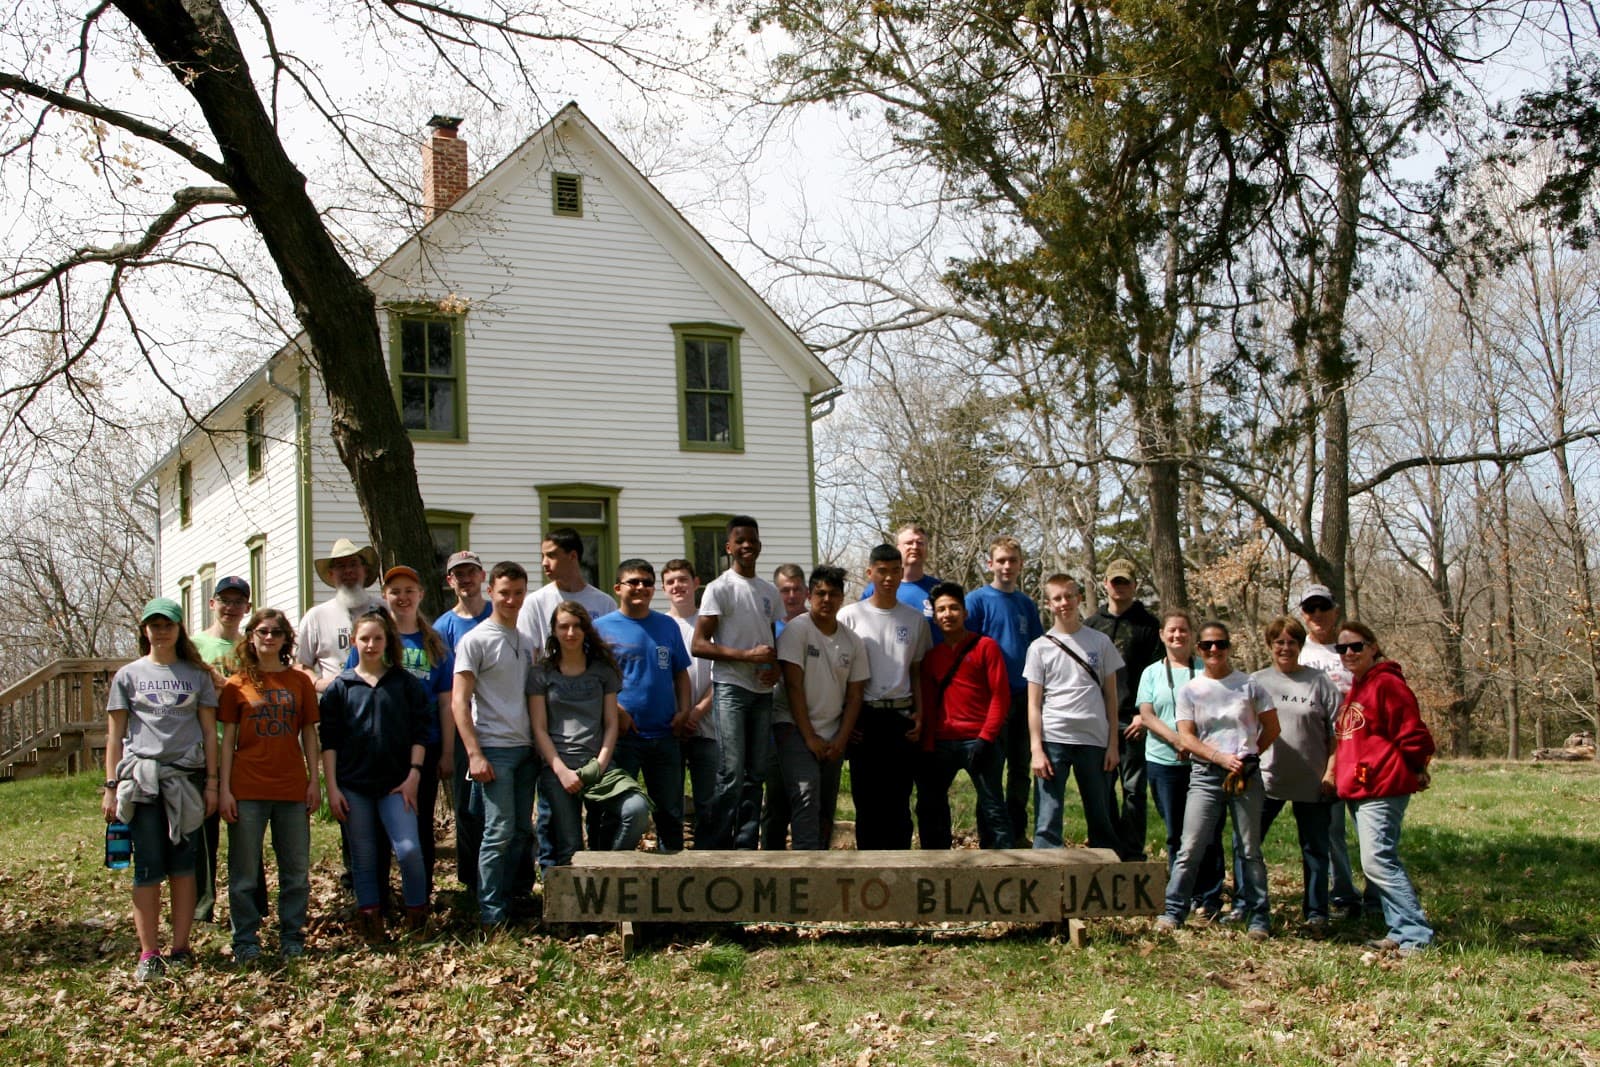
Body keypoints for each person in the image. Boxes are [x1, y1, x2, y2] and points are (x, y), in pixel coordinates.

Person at [102, 598, 219, 982]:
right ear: (144, 630)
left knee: (183, 866)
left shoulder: (197, 675)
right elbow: (115, 736)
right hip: (141, 782)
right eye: (153, 624)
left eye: (167, 624)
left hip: (186, 780)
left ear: (179, 628)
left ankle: (181, 947)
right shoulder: (128, 676)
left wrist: (213, 783)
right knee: (148, 866)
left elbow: (208, 733)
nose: (161, 630)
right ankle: (149, 952)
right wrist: (110, 787)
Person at [1155, 621, 1279, 940]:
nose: (1214, 650)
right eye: (1207, 645)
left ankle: (1258, 916)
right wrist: (1219, 758)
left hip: (1245, 777)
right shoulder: (1191, 689)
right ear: (1199, 649)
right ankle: (1173, 911)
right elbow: (1186, 737)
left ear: (1228, 648)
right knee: (1191, 846)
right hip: (1205, 775)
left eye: (1220, 644)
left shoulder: (1249, 685)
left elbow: (1272, 728)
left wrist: (1249, 756)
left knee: (1249, 848)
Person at [320, 609, 432, 940]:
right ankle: (371, 923)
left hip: (397, 784)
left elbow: (420, 733)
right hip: (354, 786)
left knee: (409, 850)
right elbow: (329, 742)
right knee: (364, 857)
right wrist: (332, 787)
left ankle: (418, 918)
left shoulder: (404, 683)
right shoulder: (340, 688)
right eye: (364, 638)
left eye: (378, 638)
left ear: (388, 642)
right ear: (354, 641)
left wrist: (414, 775)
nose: (371, 644)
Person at [217, 609, 320, 962]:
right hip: (246, 790)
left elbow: (308, 733)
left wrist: (313, 781)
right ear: (251, 636)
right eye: (262, 631)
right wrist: (224, 789)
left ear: (286, 639)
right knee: (244, 873)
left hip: (291, 788)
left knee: (295, 871)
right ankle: (245, 940)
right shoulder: (236, 684)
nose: (269, 637)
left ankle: (292, 935)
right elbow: (227, 739)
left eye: (277, 632)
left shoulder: (300, 682)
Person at [346, 566, 454, 896]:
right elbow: (353, 693)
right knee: (375, 831)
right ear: (385, 596)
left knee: (418, 825)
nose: (403, 597)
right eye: (395, 591)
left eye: (409, 590)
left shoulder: (434, 643)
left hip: (425, 746)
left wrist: (448, 751)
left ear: (420, 595)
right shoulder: (372, 640)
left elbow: (446, 702)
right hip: (377, 749)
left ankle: (419, 899)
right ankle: (376, 899)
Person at [1331, 621, 1436, 956]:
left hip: (1382, 786)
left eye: (1356, 646)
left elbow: (1413, 734)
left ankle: (1416, 933)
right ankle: (1399, 928)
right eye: (1342, 648)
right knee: (1375, 860)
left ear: (1373, 647)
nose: (1349, 653)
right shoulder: (1358, 687)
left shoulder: (1387, 684)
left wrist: (1417, 768)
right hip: (1361, 788)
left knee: (1378, 860)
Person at [530, 602, 651, 868]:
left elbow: (610, 723)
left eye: (577, 626)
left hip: (599, 764)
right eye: (564, 626)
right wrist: (560, 770)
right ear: (554, 631)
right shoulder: (541, 673)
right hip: (558, 768)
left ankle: (608, 870)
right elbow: (539, 728)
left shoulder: (602, 671)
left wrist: (600, 763)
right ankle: (571, 905)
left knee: (637, 811)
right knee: (570, 847)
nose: (571, 632)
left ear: (586, 630)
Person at [452, 561, 538, 930]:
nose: (512, 600)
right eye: (504, 593)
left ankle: (510, 897)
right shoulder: (475, 640)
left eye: (518, 593)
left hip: (527, 749)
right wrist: (474, 752)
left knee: (521, 831)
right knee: (498, 830)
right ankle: (490, 912)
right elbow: (459, 702)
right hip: (494, 749)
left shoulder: (527, 641)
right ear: (490, 592)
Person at [692, 516, 783, 849]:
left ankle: (745, 846)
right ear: (729, 547)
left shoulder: (769, 592)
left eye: (753, 540)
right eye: (740, 541)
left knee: (755, 775)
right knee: (731, 774)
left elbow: (772, 642)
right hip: (730, 689)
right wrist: (747, 656)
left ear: (759, 545)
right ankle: (714, 847)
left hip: (761, 692)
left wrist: (774, 669)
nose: (747, 546)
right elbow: (699, 644)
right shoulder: (720, 588)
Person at [1249, 616, 1341, 935]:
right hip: (1265, 779)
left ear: (1300, 646)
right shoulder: (1256, 681)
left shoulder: (1320, 682)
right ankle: (1248, 904)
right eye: (1279, 642)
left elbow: (1338, 735)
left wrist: (1331, 773)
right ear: (1270, 646)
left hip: (1312, 782)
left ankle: (1317, 912)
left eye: (1291, 642)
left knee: (1315, 849)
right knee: (1248, 845)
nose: (1285, 647)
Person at [594, 559, 692, 852]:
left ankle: (671, 874)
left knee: (671, 812)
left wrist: (684, 709)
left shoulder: (667, 626)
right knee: (614, 813)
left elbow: (680, 673)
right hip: (622, 739)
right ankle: (607, 872)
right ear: (617, 588)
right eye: (633, 582)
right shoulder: (600, 629)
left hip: (664, 736)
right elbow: (594, 682)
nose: (641, 588)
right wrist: (616, 711)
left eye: (647, 583)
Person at [838, 544, 932, 850]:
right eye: (882, 571)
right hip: (864, 715)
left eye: (895, 571)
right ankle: (869, 869)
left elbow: (916, 671)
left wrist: (919, 712)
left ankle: (900, 867)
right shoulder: (850, 616)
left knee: (899, 798)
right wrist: (845, 720)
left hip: (900, 715)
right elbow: (841, 673)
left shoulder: (914, 619)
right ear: (869, 573)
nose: (889, 578)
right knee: (866, 799)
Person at [773, 565, 869, 850]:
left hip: (832, 732)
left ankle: (823, 868)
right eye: (820, 593)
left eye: (833, 594)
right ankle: (805, 866)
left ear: (842, 599)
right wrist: (810, 737)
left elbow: (855, 696)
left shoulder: (853, 641)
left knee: (826, 805)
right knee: (806, 794)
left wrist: (840, 740)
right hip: (792, 725)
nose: (826, 599)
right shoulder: (796, 631)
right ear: (809, 595)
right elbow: (793, 687)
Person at [1136, 609, 1224, 918]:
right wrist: (1177, 740)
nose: (1177, 635)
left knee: (1208, 832)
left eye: (1183, 630)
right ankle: (1182, 893)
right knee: (1177, 833)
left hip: (1203, 763)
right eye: (1171, 630)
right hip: (1163, 760)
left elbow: (1219, 712)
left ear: (1192, 635)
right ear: (1162, 634)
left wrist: (1195, 744)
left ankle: (1210, 897)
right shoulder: (1151, 673)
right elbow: (1147, 714)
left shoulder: (1206, 669)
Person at [1024, 575, 1121, 852]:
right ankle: (1046, 871)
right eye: (1057, 598)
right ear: (1048, 604)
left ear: (1079, 598)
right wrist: (1036, 749)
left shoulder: (1100, 642)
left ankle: (1103, 872)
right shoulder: (1039, 647)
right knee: (1047, 817)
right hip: (1054, 737)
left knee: (1100, 813)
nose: (1064, 603)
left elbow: (1111, 698)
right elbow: (1033, 704)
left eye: (1069, 596)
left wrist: (1113, 743)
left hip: (1094, 739)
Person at [914, 582, 1012, 850]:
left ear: (965, 613)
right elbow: (930, 704)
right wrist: (928, 744)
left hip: (979, 740)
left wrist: (986, 738)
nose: (948, 614)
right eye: (941, 610)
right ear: (934, 617)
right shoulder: (931, 657)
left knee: (992, 806)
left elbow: (1000, 696)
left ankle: (1001, 862)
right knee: (929, 805)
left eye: (954, 608)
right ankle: (938, 861)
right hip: (942, 742)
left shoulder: (985, 647)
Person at [1296, 582, 1371, 922]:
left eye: (1322, 607)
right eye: (1310, 609)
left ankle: (1377, 897)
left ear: (1335, 610)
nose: (1317, 615)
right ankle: (1343, 894)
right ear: (1302, 614)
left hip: (1361, 750)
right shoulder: (1298, 653)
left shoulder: (1348, 648)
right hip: (1320, 754)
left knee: (1370, 828)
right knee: (1332, 830)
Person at [965, 536, 1045, 843]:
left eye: (1012, 560)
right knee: (990, 772)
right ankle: (990, 835)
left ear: (1020, 564)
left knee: (1021, 770)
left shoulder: (1026, 605)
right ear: (990, 564)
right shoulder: (977, 601)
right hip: (990, 700)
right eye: (1001, 560)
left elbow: (1038, 650)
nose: (1007, 566)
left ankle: (1016, 831)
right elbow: (967, 650)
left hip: (1025, 698)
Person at [1085, 559, 1162, 861]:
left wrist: (1145, 716)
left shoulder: (1148, 626)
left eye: (1125, 582)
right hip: (1098, 722)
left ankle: (1131, 854)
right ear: (1105, 584)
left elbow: (1156, 673)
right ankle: (1104, 851)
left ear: (1134, 585)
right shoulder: (1092, 626)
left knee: (1133, 791)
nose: (1119, 587)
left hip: (1133, 722)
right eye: (1114, 581)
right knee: (1101, 791)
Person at [190, 574, 252, 924]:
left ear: (246, 607)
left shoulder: (251, 647)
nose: (230, 607)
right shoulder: (195, 646)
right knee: (204, 833)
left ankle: (248, 906)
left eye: (237, 601)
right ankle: (202, 907)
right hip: (203, 748)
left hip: (244, 751)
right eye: (223, 601)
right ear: (212, 604)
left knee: (245, 832)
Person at [432, 550, 492, 893]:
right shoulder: (443, 628)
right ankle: (472, 881)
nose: (466, 579)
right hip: (463, 724)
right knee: (468, 806)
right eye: (458, 574)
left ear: (482, 577)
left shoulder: (498, 615)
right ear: (449, 581)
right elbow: (444, 688)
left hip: (501, 722)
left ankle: (510, 876)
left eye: (471, 572)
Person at [662, 559, 717, 845]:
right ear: (663, 588)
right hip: (671, 727)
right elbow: (661, 676)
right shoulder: (659, 626)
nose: (677, 586)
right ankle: (669, 859)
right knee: (670, 803)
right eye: (671, 582)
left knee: (709, 801)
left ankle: (711, 860)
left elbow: (722, 676)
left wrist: (697, 711)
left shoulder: (710, 624)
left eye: (683, 579)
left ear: (696, 583)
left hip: (708, 727)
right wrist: (680, 714)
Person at [761, 562, 811, 850]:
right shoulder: (769, 627)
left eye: (796, 589)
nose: (791, 595)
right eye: (784, 590)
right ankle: (771, 863)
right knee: (777, 802)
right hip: (776, 723)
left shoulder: (818, 624)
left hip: (817, 720)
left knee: (810, 799)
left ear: (805, 591)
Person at [297, 538, 382, 691]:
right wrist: (317, 682)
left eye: (353, 564)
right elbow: (301, 665)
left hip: (380, 700)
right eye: (340, 566)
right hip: (337, 705)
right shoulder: (316, 617)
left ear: (365, 570)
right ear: (331, 574)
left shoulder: (384, 610)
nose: (348, 570)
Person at [516, 527, 616, 650]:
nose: (544, 563)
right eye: (543, 556)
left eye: (551, 555)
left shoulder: (605, 603)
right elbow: (528, 652)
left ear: (573, 556)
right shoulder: (535, 602)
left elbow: (612, 652)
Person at [861, 524, 942, 639]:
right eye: (909, 543)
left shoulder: (939, 589)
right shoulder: (875, 589)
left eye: (920, 543)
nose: (915, 547)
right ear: (897, 548)